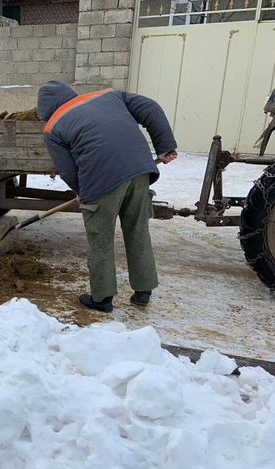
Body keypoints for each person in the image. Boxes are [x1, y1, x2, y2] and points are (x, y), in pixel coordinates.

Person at [37, 80, 178, 313]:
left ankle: (102, 298)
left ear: (45, 110)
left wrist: (82, 191)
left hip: (101, 179)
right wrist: (165, 146)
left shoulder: (53, 127)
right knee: (138, 230)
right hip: (141, 170)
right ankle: (143, 291)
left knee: (100, 240)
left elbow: (68, 170)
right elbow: (151, 107)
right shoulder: (108, 96)